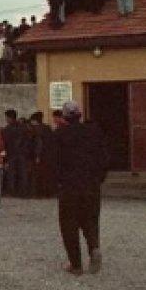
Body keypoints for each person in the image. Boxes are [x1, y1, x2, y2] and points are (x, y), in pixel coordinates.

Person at [46, 101, 107, 275]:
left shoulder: (59, 135)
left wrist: (56, 182)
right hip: (91, 185)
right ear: (80, 115)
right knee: (90, 220)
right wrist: (98, 178)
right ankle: (94, 247)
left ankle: (76, 264)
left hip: (69, 187)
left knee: (69, 224)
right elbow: (104, 158)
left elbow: (52, 162)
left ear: (64, 117)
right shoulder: (94, 132)